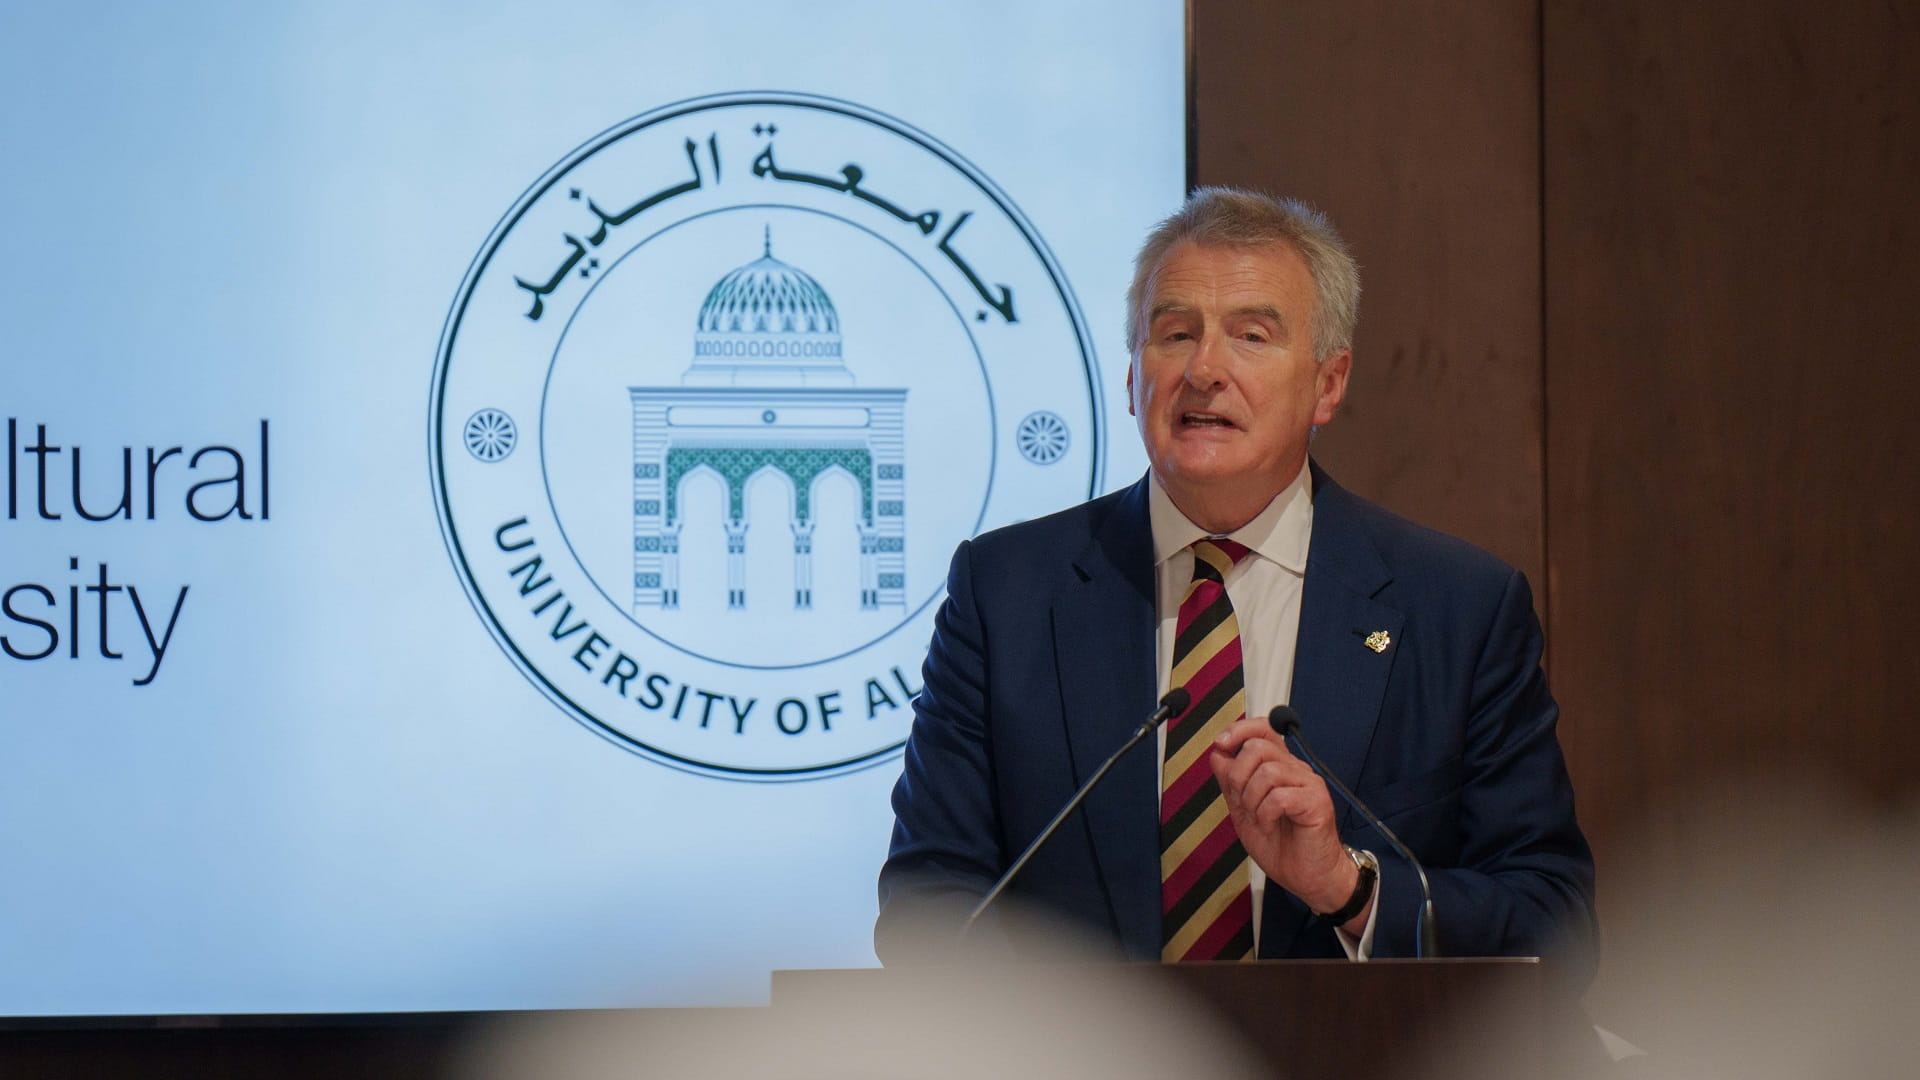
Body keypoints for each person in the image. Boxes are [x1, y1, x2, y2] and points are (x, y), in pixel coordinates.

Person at [876, 188, 1595, 978]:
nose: (1204, 370)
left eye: (1252, 336)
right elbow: (928, 906)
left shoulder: (1457, 610)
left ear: (1328, 383)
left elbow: (1554, 926)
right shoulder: (1005, 595)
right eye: (1175, 334)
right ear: (1132, 377)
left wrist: (1349, 887)